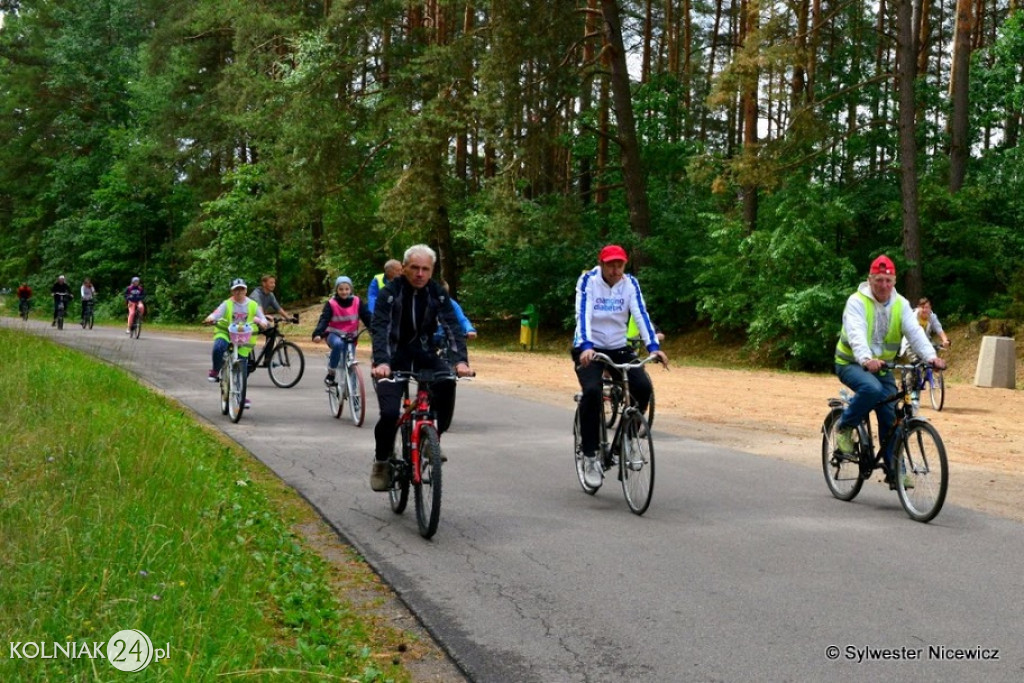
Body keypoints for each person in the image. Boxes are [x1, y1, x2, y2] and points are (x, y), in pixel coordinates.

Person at [369, 245, 473, 491]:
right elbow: (380, 328)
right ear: (404, 268)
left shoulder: (437, 294)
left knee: (447, 382)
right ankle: (382, 461)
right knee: (390, 414)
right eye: (414, 268)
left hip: (425, 354)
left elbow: (452, 326)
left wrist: (460, 361)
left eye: (425, 269)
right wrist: (382, 362)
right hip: (392, 359)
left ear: (432, 270)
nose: (419, 274)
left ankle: (432, 439)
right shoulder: (390, 294)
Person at [833, 256, 947, 477]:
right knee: (872, 390)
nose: (884, 285)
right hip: (851, 363)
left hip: (882, 367)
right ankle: (845, 428)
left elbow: (915, 334)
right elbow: (856, 333)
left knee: (891, 415)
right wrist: (866, 358)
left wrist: (931, 357)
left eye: (888, 280)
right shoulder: (857, 302)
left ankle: (895, 468)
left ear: (894, 281)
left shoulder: (901, 305)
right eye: (879, 280)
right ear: (870, 280)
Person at [572, 245, 668, 489]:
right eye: (611, 265)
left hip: (617, 346)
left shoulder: (630, 284)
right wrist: (585, 345)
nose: (616, 270)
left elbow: (640, 314)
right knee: (593, 392)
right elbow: (582, 313)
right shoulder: (588, 281)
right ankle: (591, 456)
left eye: (620, 265)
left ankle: (628, 438)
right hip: (590, 346)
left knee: (643, 387)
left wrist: (653, 347)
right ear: (601, 264)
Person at [202, 280, 269, 406]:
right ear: (232, 291)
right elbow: (216, 313)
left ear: (246, 290)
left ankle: (240, 396)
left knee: (242, 367)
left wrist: (263, 322)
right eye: (236, 290)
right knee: (218, 347)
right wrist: (211, 318)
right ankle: (216, 370)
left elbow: (261, 316)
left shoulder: (253, 304)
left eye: (241, 289)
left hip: (243, 336)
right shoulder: (227, 304)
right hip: (226, 332)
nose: (239, 292)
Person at [312, 276, 373, 385]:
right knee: (339, 344)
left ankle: (354, 395)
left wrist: (374, 329)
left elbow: (366, 317)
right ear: (336, 290)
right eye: (341, 289)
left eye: (346, 289)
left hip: (351, 337)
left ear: (351, 290)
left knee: (351, 366)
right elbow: (324, 319)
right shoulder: (331, 304)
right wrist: (318, 334)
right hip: (334, 335)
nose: (344, 292)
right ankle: (331, 373)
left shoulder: (357, 301)